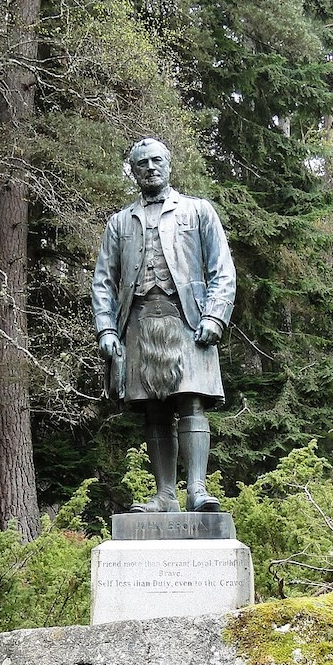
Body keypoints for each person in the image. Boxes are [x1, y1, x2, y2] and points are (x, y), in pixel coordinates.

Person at [92, 138, 236, 512]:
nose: (150, 167)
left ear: (169, 165)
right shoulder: (119, 222)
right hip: (139, 323)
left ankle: (197, 490)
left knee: (191, 403)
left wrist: (215, 315)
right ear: (134, 171)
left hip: (186, 319)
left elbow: (222, 269)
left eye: (157, 160)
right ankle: (165, 496)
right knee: (154, 410)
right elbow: (104, 282)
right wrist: (107, 329)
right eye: (142, 163)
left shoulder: (198, 211)